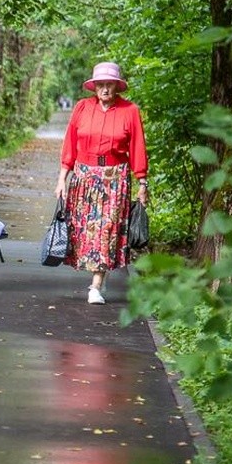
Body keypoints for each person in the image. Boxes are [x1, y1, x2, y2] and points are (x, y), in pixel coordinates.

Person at [54, 61, 150, 305]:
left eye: (110, 85)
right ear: (94, 86)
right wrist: (62, 178)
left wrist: (142, 182)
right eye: (101, 84)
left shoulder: (130, 111)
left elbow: (138, 147)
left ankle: (96, 283)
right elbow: (69, 143)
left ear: (117, 87)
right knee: (87, 229)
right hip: (84, 176)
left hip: (115, 178)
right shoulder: (82, 108)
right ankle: (100, 269)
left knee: (106, 228)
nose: (105, 89)